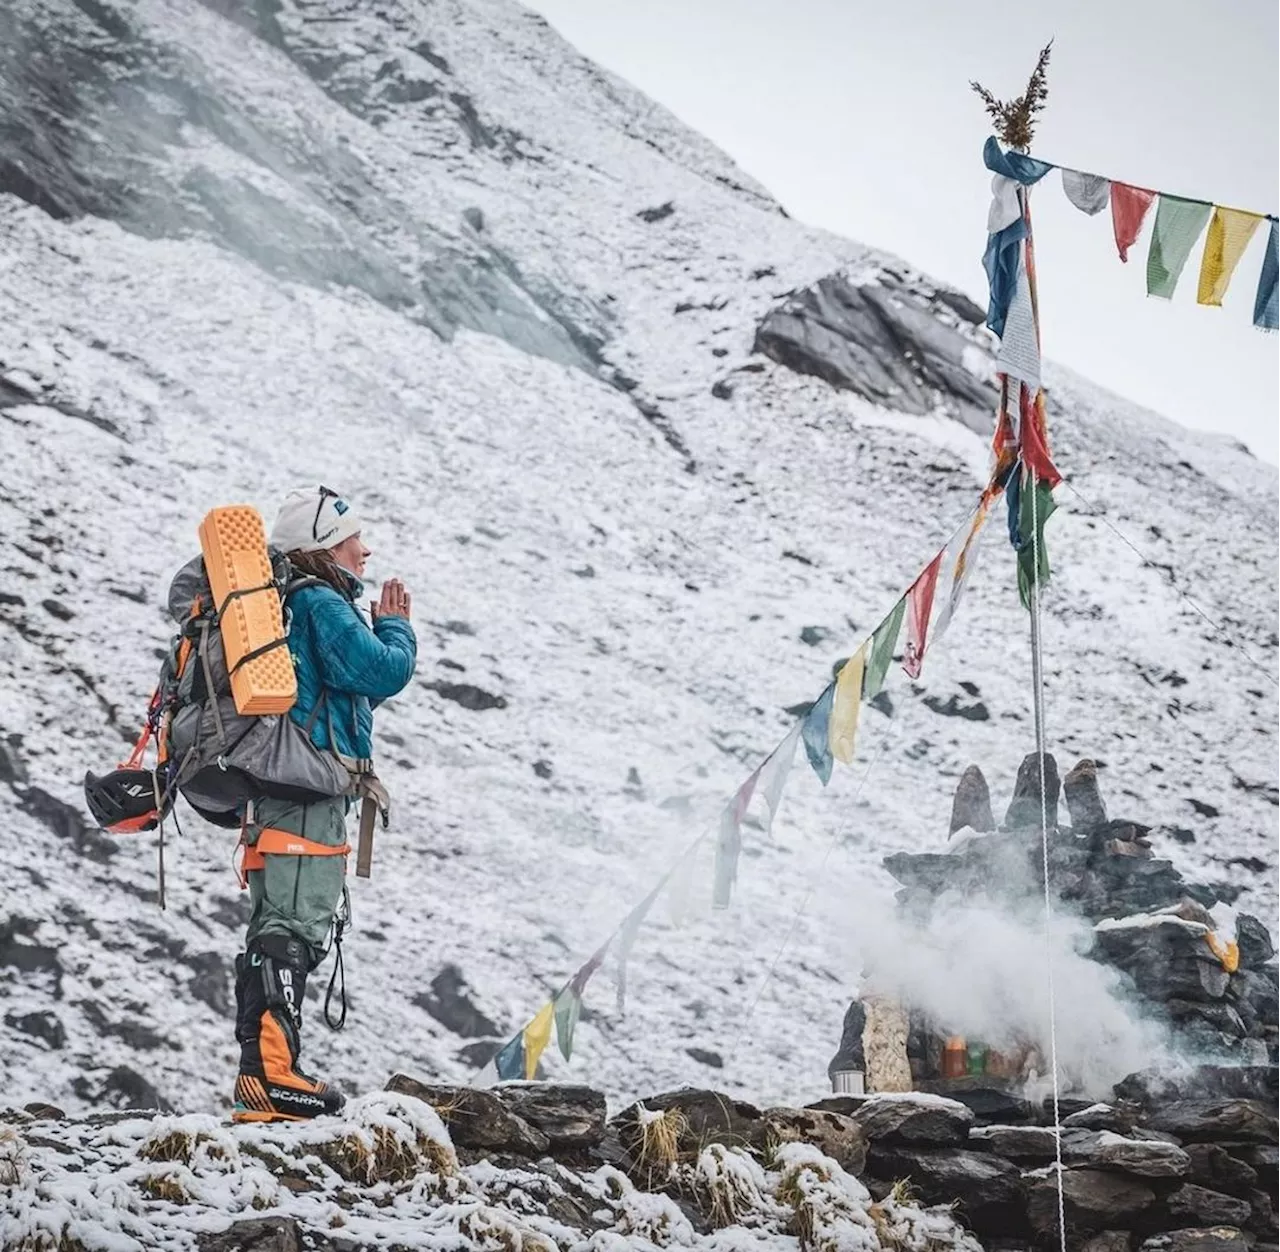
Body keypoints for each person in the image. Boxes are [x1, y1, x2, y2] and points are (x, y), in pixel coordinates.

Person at [232, 485, 417, 1123]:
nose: (364, 551)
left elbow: (345, 685)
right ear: (321, 547)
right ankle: (272, 1078)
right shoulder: (318, 600)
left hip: (280, 785)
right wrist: (395, 628)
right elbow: (380, 670)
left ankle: (266, 1076)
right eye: (352, 539)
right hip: (306, 787)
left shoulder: (293, 602)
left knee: (278, 921)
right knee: (292, 924)